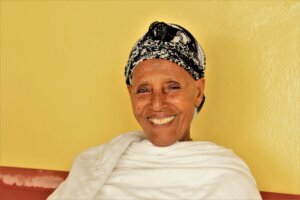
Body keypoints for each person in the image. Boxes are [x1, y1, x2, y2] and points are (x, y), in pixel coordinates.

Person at [48, 21, 262, 200]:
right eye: (143, 90)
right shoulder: (94, 166)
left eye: (173, 87)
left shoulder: (227, 181)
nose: (157, 104)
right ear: (130, 94)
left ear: (198, 92)